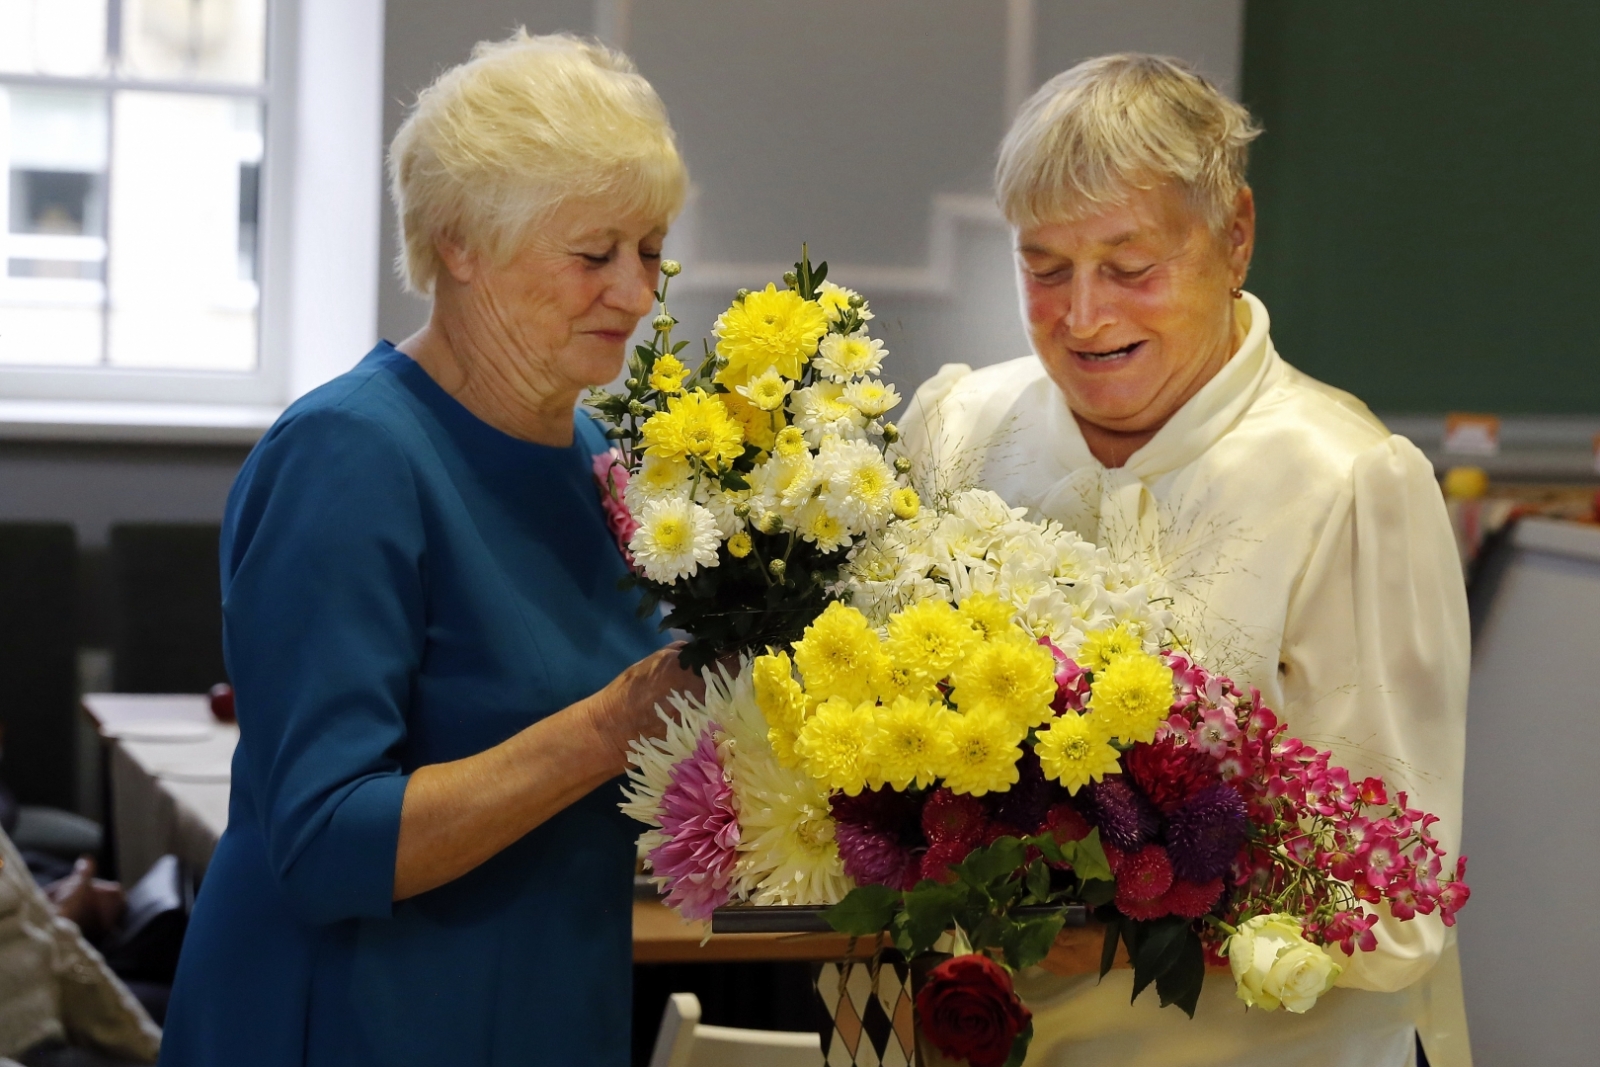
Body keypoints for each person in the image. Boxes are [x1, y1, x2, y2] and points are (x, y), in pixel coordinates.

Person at [902, 54, 1469, 1067]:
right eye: (1044, 267)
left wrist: (1062, 933)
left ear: (1235, 234)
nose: (1084, 316)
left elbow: (1391, 910)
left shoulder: (1348, 480)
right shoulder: (956, 429)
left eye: (1129, 266)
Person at [158, 31, 701, 1067]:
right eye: (595, 254)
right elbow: (323, 843)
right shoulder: (348, 455)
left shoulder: (594, 455)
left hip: (541, 998)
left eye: (651, 247)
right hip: (353, 1020)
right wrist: (608, 727)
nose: (638, 294)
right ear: (460, 243)